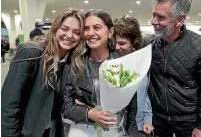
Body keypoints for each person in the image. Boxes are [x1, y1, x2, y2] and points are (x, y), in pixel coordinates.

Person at [1, 8, 85, 137]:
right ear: (56, 28)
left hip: (52, 130)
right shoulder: (30, 52)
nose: (69, 35)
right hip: (27, 131)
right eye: (65, 29)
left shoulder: (72, 61)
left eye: (76, 32)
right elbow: (9, 104)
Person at [142, 0, 201, 137]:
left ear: (180, 19)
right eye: (153, 15)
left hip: (188, 120)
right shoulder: (147, 43)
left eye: (161, 17)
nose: (153, 21)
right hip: (157, 118)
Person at [62, 9, 138, 137]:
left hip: (116, 131)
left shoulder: (123, 64)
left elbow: (131, 110)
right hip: (83, 130)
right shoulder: (75, 64)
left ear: (110, 32)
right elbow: (65, 105)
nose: (90, 33)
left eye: (96, 28)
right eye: (86, 29)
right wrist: (89, 113)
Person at [113, 15, 154, 136]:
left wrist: (148, 119)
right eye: (114, 42)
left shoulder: (142, 63)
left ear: (134, 43)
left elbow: (145, 93)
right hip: (114, 126)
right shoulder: (109, 63)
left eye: (122, 43)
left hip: (138, 125)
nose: (116, 47)